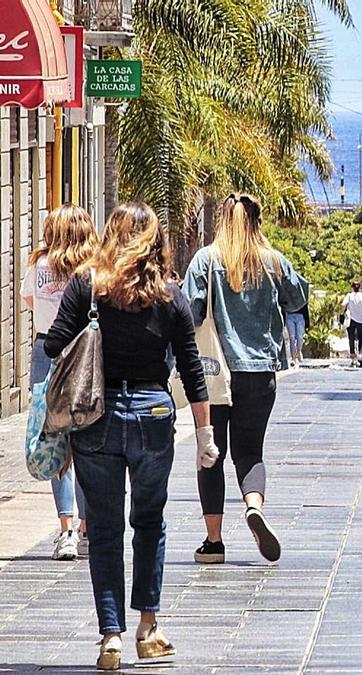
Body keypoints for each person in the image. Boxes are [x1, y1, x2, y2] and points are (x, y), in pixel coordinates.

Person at [43, 202, 217, 671]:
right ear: (154, 240)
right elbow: (191, 367)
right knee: (149, 522)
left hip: (96, 419)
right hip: (154, 415)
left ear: (111, 235)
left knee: (103, 531)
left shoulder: (87, 287)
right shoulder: (168, 294)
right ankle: (149, 626)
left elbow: (54, 343)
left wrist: (89, 335)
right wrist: (204, 432)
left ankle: (111, 637)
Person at [185, 193, 308, 565]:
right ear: (257, 222)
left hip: (215, 374)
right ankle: (253, 505)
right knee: (250, 452)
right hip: (259, 372)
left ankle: (214, 541)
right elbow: (298, 297)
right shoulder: (273, 261)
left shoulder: (205, 260)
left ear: (223, 220)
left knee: (210, 453)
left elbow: (189, 310)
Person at [21, 204, 96, 561]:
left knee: (53, 439)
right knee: (85, 439)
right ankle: (85, 529)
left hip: (45, 352)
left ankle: (65, 529)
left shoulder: (38, 265)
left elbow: (29, 301)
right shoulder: (92, 271)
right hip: (83, 356)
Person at [342, 280, 362, 367]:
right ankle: (360, 355)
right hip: (361, 320)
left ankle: (353, 357)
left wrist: (344, 312)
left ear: (352, 287)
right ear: (360, 287)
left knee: (351, 338)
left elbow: (343, 305)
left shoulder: (349, 296)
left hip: (351, 320)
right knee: (361, 338)